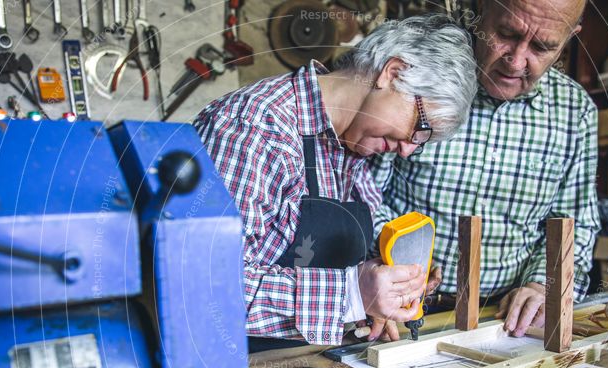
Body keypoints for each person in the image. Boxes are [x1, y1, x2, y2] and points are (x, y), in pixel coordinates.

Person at [194, 15, 477, 349]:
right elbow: (205, 288)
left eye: (421, 144)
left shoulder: (355, 147)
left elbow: (349, 258)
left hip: (305, 358)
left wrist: (384, 290)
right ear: (393, 73)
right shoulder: (255, 128)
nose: (407, 150)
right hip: (223, 366)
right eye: (420, 128)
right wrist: (350, 296)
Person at [373, 0, 600, 337]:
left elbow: (575, 222)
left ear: (568, 39)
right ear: (481, 10)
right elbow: (360, 193)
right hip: (394, 308)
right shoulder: (422, 78)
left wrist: (543, 286)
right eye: (506, 34)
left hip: (503, 317)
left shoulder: (575, 111)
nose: (516, 60)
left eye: (542, 46)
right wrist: (379, 275)